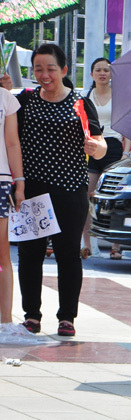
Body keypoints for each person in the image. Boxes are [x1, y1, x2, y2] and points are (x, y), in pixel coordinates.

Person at [14, 43, 107, 338]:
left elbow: (100, 142)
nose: (44, 74)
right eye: (38, 69)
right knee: (31, 254)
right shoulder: (25, 101)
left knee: (68, 254)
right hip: (32, 191)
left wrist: (96, 147)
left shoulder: (80, 102)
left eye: (50, 68)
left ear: (64, 70)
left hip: (69, 190)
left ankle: (67, 316)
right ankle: (32, 315)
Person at [80, 57, 130, 260]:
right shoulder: (85, 97)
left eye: (106, 70)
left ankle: (115, 246)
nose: (102, 73)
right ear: (91, 74)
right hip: (92, 148)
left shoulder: (119, 97)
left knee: (115, 198)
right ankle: (88, 244)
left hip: (115, 147)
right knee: (88, 197)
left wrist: (126, 152)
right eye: (98, 70)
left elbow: (126, 126)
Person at [0, 81, 24, 328]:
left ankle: (5, 320)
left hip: (1, 179)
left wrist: (20, 184)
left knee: (2, 254)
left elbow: (12, 142)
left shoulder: (6, 98)